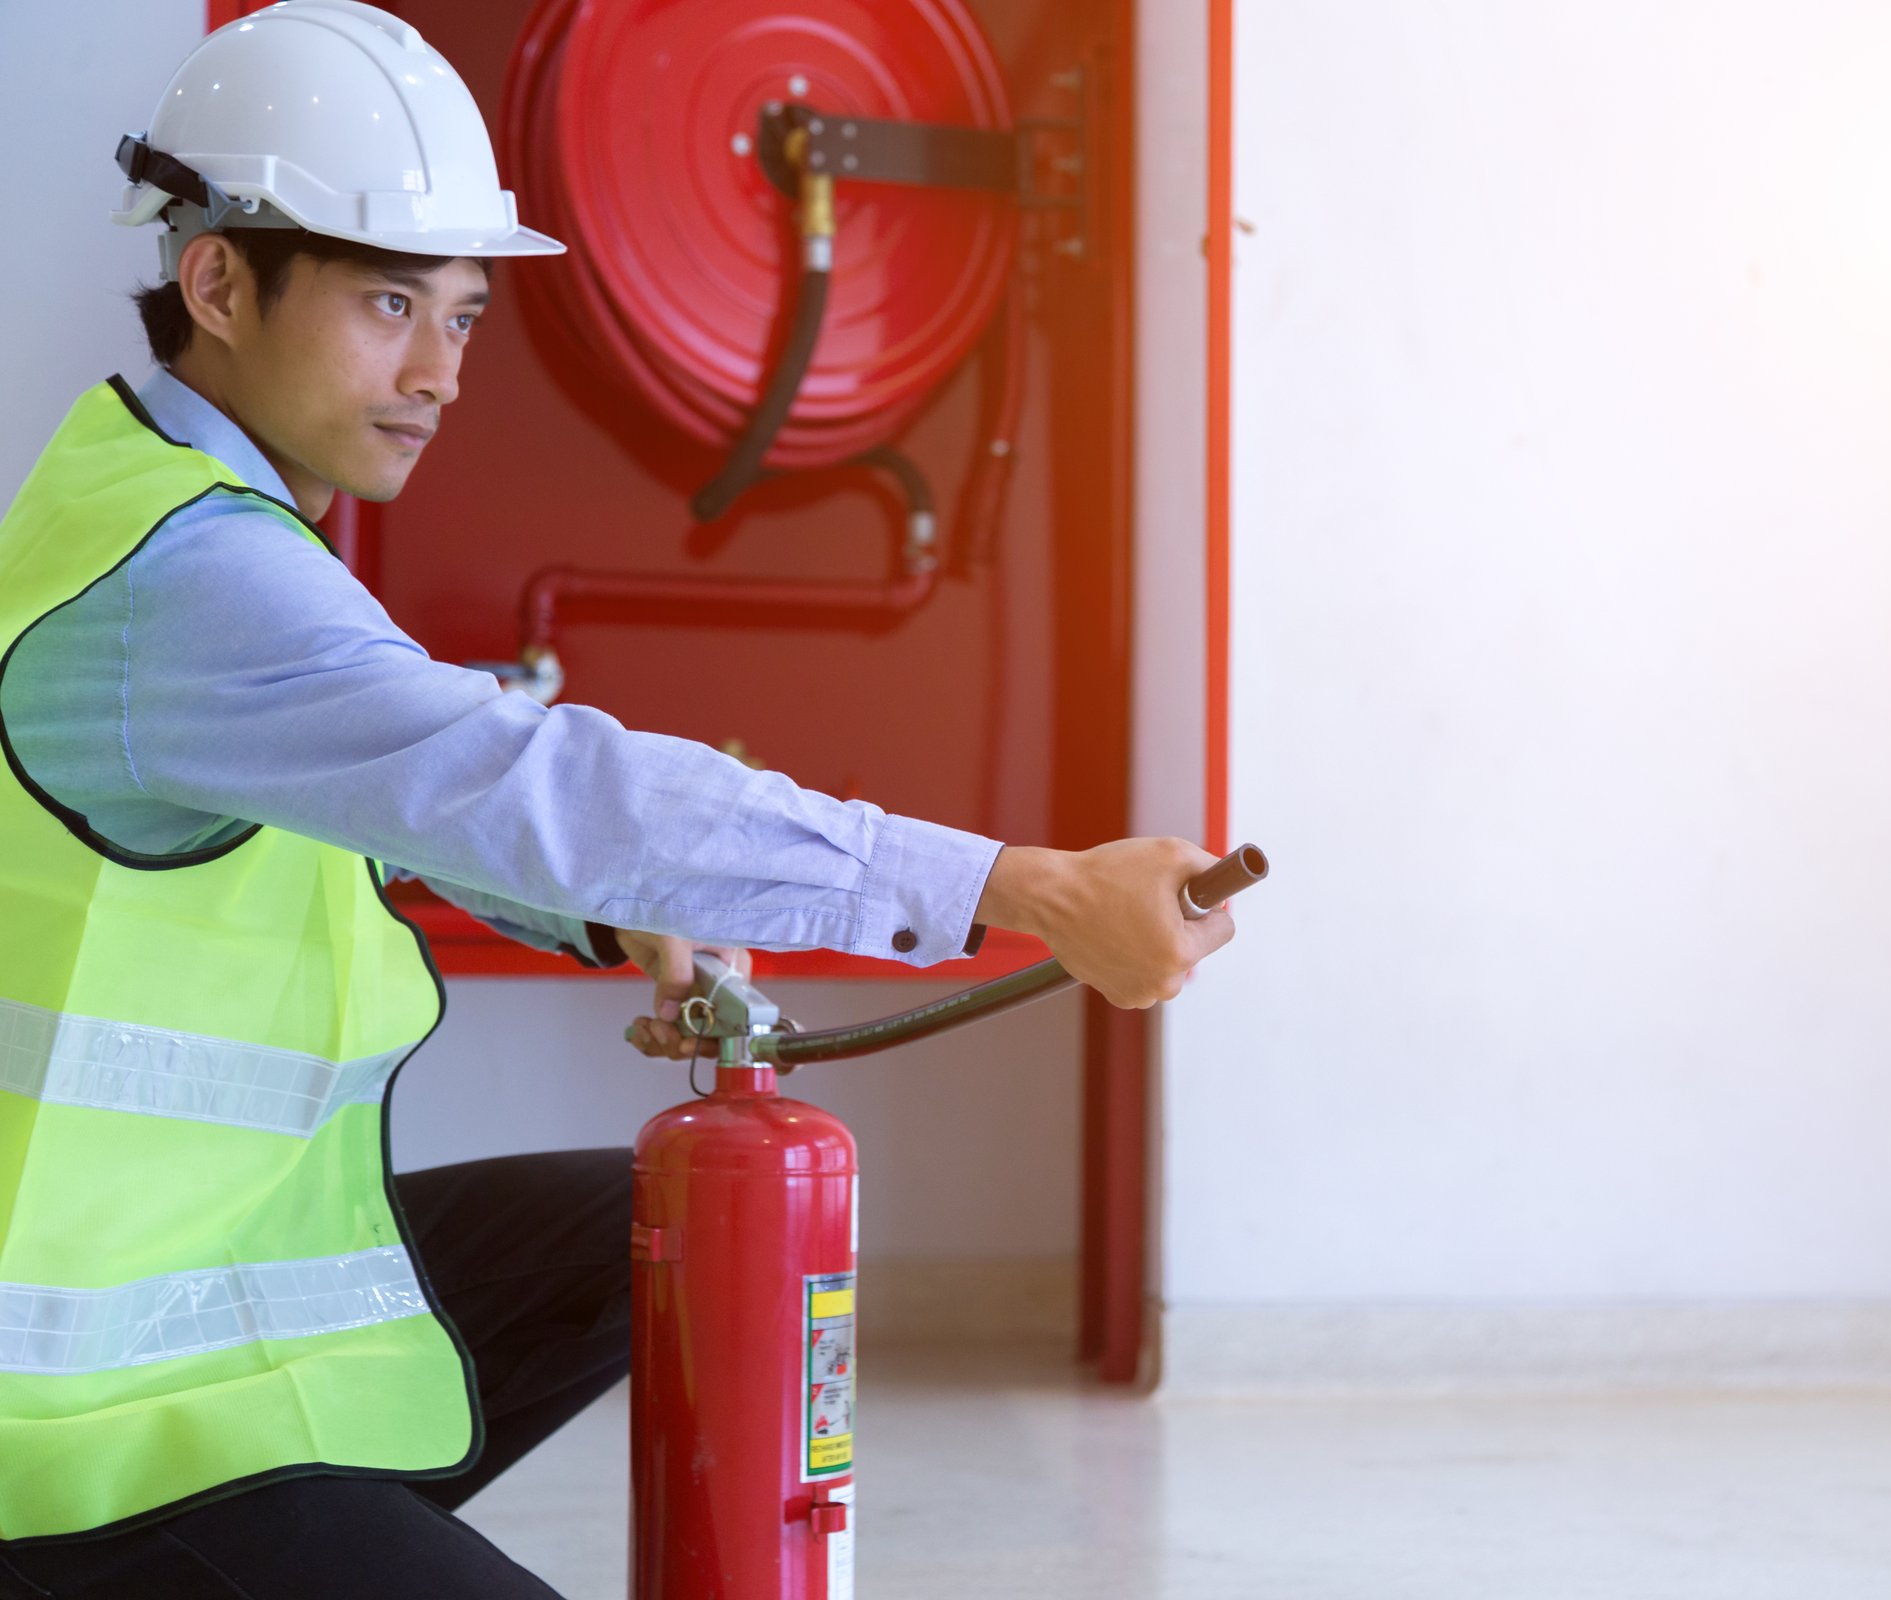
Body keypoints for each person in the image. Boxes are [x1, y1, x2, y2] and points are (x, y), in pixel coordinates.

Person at [0, 4, 1231, 1593]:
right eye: (390, 303)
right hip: (66, 1431)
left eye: (462, 315)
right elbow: (531, 783)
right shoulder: (194, 578)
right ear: (220, 282)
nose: (440, 372)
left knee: (644, 1224)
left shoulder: (177, 510)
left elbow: (427, 787)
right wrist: (1030, 883)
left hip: (173, 1286)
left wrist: (627, 902)